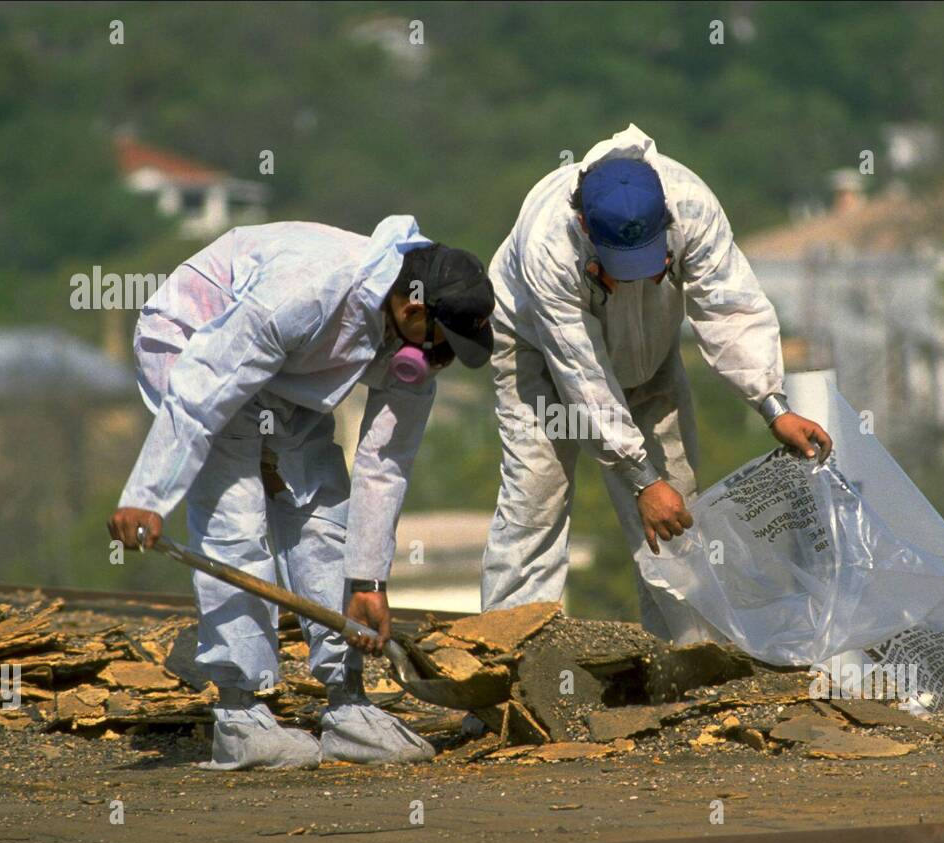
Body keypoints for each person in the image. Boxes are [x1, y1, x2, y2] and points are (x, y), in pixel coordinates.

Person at [107, 216, 495, 769]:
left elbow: (384, 463)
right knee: (236, 523)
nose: (442, 364)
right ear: (412, 311)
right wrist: (148, 494)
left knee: (322, 510)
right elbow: (204, 389)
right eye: (443, 348)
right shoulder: (307, 294)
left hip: (288, 378)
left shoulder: (409, 343)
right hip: (197, 344)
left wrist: (369, 580)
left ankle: (347, 706)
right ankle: (240, 719)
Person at [481, 125, 832, 643]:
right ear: (584, 226)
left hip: (650, 349)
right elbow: (584, 374)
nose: (639, 279)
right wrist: (640, 477)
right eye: (622, 270)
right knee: (537, 494)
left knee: (675, 509)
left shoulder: (690, 205)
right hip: (539, 348)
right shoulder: (549, 245)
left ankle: (686, 658)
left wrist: (772, 405)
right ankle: (513, 657)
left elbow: (730, 307)